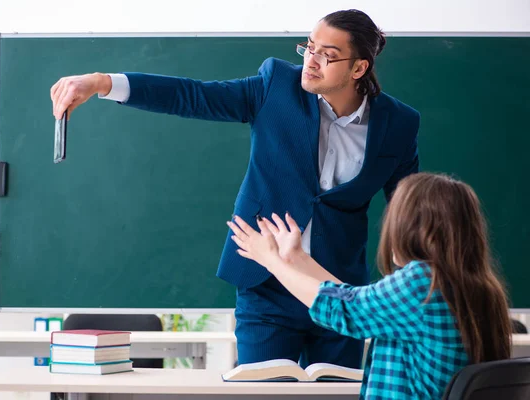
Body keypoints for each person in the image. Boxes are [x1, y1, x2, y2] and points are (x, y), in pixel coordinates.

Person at [50, 9, 420, 368]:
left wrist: (417, 288)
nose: (312, 60)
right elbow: (193, 96)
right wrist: (101, 82)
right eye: (309, 47)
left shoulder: (398, 123)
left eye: (328, 55)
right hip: (266, 289)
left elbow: (408, 214)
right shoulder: (277, 87)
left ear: (359, 67)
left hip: (340, 292)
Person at [227, 172, 512, 399]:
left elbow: (343, 309)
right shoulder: (481, 289)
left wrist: (271, 261)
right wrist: (296, 258)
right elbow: (356, 300)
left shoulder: (422, 282)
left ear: (412, 227)